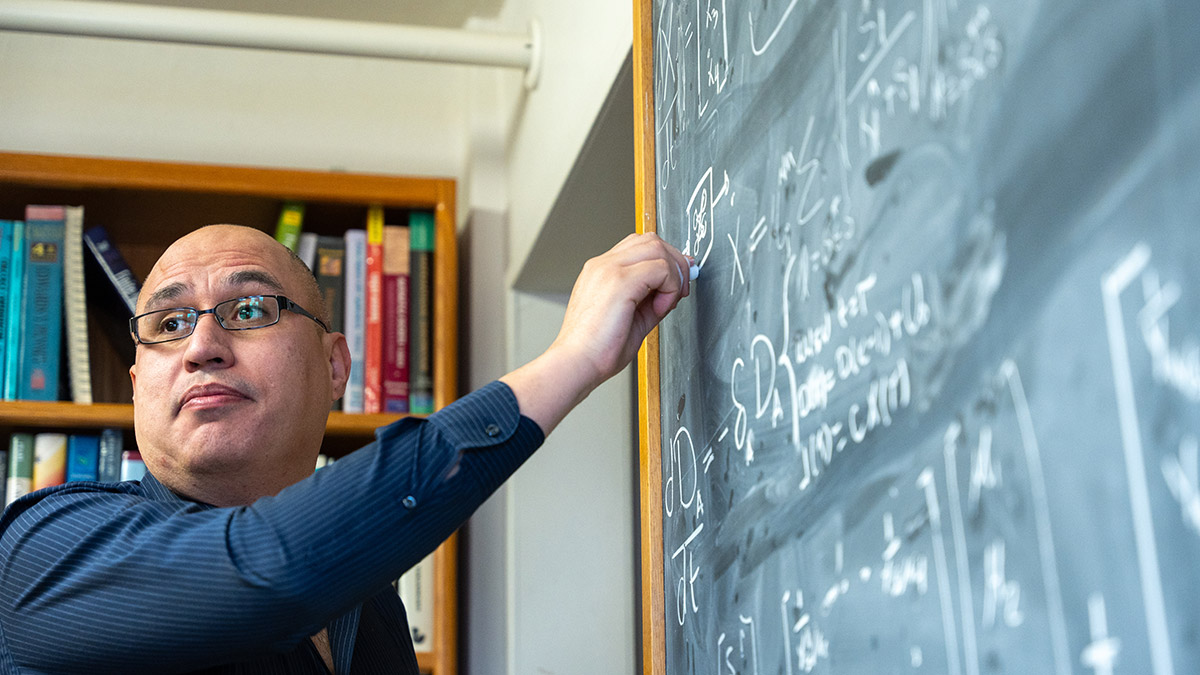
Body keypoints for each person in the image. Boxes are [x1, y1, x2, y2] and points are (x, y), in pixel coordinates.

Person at [0, 224, 691, 673]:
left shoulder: (370, 610)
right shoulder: (34, 551)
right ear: (135, 381)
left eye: (249, 310)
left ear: (336, 366)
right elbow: (270, 566)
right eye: (171, 323)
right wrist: (572, 359)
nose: (202, 346)